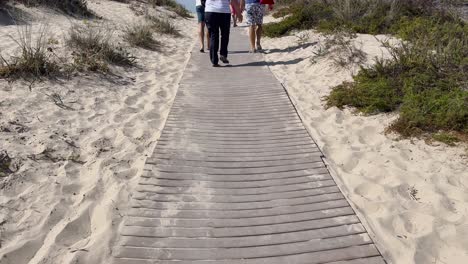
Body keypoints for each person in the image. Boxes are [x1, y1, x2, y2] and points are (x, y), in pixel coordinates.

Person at [205, 0, 243, 67]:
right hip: (224, 11)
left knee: (213, 35)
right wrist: (239, 14)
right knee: (225, 34)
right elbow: (233, 1)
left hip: (210, 10)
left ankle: (214, 60)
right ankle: (223, 54)